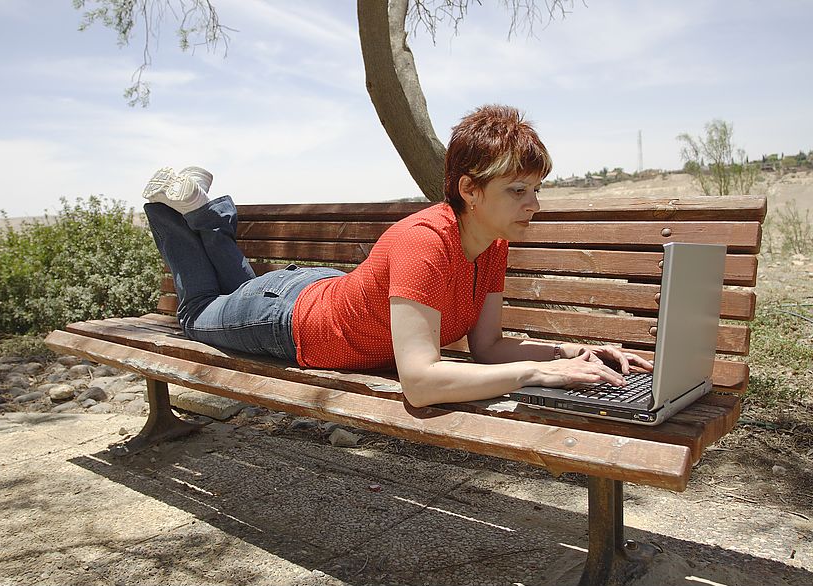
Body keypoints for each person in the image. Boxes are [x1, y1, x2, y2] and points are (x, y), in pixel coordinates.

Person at [142, 104, 652, 408]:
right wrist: (533, 373)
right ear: (470, 189)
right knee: (196, 312)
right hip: (286, 319)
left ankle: (202, 212)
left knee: (233, 291)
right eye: (518, 190)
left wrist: (574, 355)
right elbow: (422, 382)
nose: (534, 205)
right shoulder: (426, 241)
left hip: (319, 287)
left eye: (536, 189)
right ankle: (173, 210)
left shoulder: (491, 245)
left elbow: (488, 349)